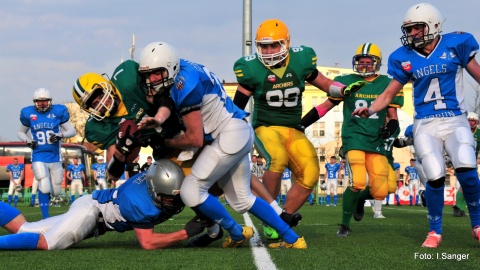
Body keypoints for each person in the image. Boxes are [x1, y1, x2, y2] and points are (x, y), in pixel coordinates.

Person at [137, 41, 306, 249]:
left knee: (191, 190)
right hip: (237, 131)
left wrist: (165, 141)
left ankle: (236, 232)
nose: (151, 79)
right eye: (148, 74)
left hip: (229, 134)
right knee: (243, 199)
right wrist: (160, 120)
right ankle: (292, 239)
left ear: (170, 67)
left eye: (156, 73)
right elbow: (171, 106)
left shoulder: (184, 83)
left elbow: (195, 139)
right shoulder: (182, 70)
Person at [352, 3, 480, 247]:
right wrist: (371, 109)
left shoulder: (456, 44)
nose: (412, 34)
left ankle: (477, 224)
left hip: (455, 118)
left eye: (416, 28)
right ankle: (434, 231)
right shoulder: (404, 57)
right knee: (433, 172)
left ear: (433, 25)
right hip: (426, 122)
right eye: (408, 29)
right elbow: (389, 93)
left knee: (466, 164)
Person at [232, 19, 366, 237]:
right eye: (264, 46)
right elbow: (236, 105)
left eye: (274, 45)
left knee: (311, 174)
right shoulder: (250, 68)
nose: (268, 51)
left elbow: (326, 84)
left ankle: (283, 217)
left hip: (294, 129)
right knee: (277, 159)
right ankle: (271, 215)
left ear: (286, 43)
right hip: (266, 127)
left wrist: (343, 90)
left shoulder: (301, 60)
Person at [302, 42, 403, 236]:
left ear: (377, 63)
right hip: (354, 137)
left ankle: (358, 200)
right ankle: (344, 224)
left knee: (383, 190)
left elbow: (393, 117)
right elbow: (325, 106)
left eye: (369, 62)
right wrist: (303, 123)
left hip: (376, 141)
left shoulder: (387, 83)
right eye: (361, 62)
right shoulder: (345, 81)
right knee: (357, 181)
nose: (364, 65)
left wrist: (389, 129)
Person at [0, 159, 207, 250]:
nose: (173, 202)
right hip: (92, 212)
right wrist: (185, 233)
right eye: (168, 197)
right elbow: (148, 243)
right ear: (153, 189)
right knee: (48, 243)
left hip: (92, 205)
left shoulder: (160, 180)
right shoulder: (138, 201)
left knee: (24, 229)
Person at [18, 88, 76, 219]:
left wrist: (60, 135)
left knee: (56, 191)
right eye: (39, 102)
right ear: (35, 102)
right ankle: (45, 216)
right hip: (38, 155)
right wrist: (28, 141)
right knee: (44, 184)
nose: (42, 104)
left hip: (55, 156)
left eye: (45, 101)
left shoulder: (58, 112)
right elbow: (20, 132)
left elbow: (72, 131)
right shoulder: (29, 114)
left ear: (50, 101)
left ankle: (48, 207)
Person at [453, 112, 480, 217]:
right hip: (461, 161)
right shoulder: (459, 132)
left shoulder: (479, 133)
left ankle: (459, 207)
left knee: (469, 185)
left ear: (476, 122)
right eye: (469, 120)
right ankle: (459, 207)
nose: (470, 123)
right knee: (464, 185)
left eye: (472, 121)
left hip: (473, 163)